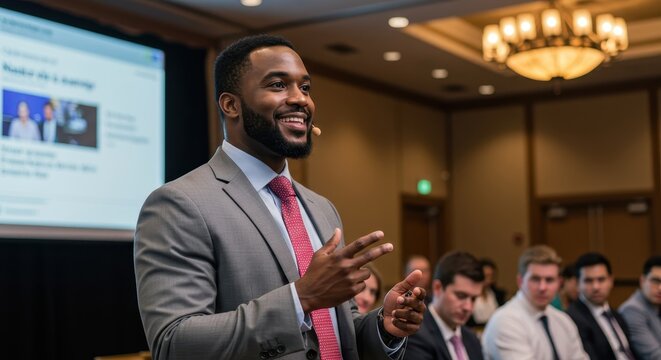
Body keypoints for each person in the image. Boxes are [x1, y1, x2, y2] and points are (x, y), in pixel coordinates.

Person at [134, 34, 427, 360]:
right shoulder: (180, 203)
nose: (301, 99)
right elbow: (175, 344)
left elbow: (336, 333)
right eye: (277, 85)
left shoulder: (321, 208)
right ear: (231, 105)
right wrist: (300, 298)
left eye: (305, 87)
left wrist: (384, 328)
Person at [482, 245, 588, 360]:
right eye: (535, 279)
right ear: (520, 281)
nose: (542, 287)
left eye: (549, 280)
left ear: (559, 283)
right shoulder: (505, 321)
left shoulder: (563, 321)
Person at [405, 251, 484, 360]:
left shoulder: (471, 339)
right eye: (461, 296)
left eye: (474, 298)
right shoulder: (414, 334)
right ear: (437, 288)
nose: (468, 307)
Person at [567, 252, 636, 360]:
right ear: (577, 284)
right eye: (588, 281)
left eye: (601, 279)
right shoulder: (573, 318)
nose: (596, 287)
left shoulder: (615, 315)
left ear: (611, 281)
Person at [619, 255, 661, 359]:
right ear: (642, 281)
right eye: (656, 281)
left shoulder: (656, 305)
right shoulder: (632, 310)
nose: (660, 288)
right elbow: (655, 356)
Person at [468, 258, 506, 326]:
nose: (489, 279)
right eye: (487, 275)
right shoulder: (469, 294)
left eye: (491, 276)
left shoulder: (498, 294)